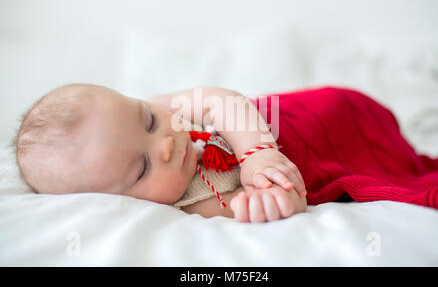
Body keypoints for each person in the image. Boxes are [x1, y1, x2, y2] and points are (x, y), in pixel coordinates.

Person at [12, 84, 308, 223]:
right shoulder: (194, 203)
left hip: (295, 114)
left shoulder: (162, 105)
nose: (166, 145)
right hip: (319, 153)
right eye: (142, 168)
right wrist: (269, 203)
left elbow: (223, 102)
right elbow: (289, 197)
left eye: (150, 122)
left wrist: (259, 154)